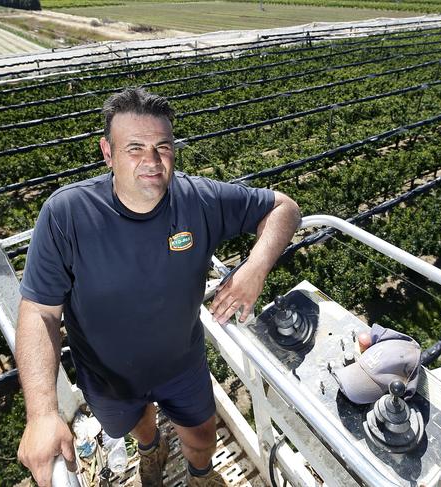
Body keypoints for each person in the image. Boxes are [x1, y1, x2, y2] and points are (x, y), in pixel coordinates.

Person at [15, 87, 301, 487]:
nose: (151, 161)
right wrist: (42, 412)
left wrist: (254, 267)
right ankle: (152, 450)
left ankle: (200, 474)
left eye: (162, 147)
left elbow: (284, 208)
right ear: (108, 153)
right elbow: (39, 311)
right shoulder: (67, 214)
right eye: (134, 148)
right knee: (140, 426)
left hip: (182, 365)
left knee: (202, 435)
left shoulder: (199, 199)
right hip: (107, 377)